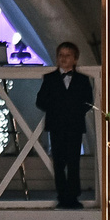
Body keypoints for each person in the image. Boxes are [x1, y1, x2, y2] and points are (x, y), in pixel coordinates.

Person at [34, 42, 93, 210]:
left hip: (74, 125)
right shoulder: (50, 78)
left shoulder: (82, 80)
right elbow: (40, 101)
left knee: (74, 161)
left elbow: (88, 101)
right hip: (56, 125)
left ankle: (73, 196)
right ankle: (62, 196)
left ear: (75, 59)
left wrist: (75, 111)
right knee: (59, 162)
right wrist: (55, 108)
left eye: (68, 55)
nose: (63, 59)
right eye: (61, 55)